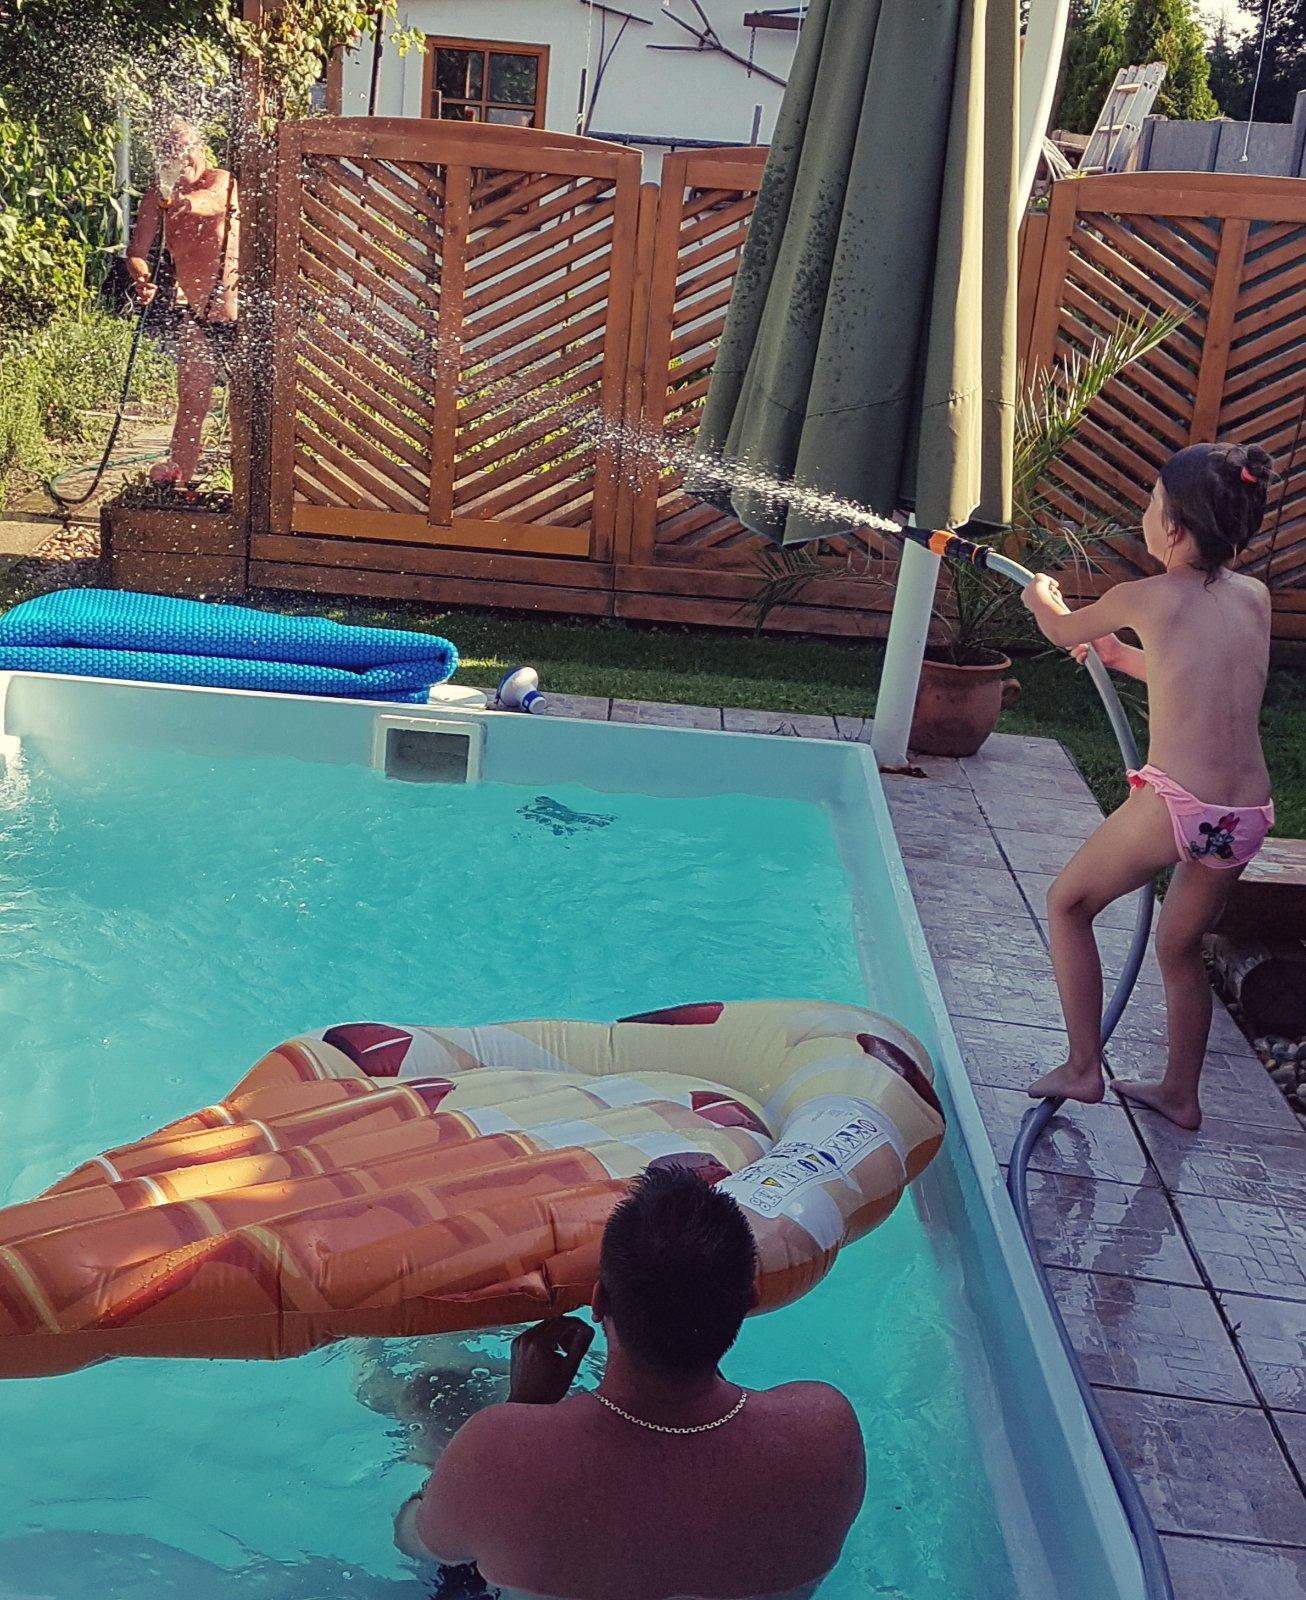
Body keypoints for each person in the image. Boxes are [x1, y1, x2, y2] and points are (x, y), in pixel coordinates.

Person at [391, 1164, 866, 1600]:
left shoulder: (499, 1452)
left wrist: (525, 1406)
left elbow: (414, 1540)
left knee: (432, 1395)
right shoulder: (824, 1431)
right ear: (752, 1299)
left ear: (598, 1301)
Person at [1021, 440, 1278, 1130]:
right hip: (1245, 815)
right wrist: (1116, 654)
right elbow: (1200, 675)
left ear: (1173, 525)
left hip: (1177, 803)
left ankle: (1082, 1067)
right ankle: (1180, 1094)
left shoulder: (1141, 595)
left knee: (1068, 904)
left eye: (1151, 503)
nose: (1146, 515)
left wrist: (1039, 596)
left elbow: (1059, 629)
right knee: (1178, 947)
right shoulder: (1255, 598)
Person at [126, 117, 240, 488]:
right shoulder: (156, 195)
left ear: (201, 150)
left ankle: (246, 494)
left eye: (184, 149)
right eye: (169, 152)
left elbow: (212, 203)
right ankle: (177, 485)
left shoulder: (222, 181)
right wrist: (141, 276)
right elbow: (137, 250)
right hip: (197, 316)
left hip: (239, 317)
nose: (179, 158)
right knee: (191, 405)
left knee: (245, 410)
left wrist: (181, 202)